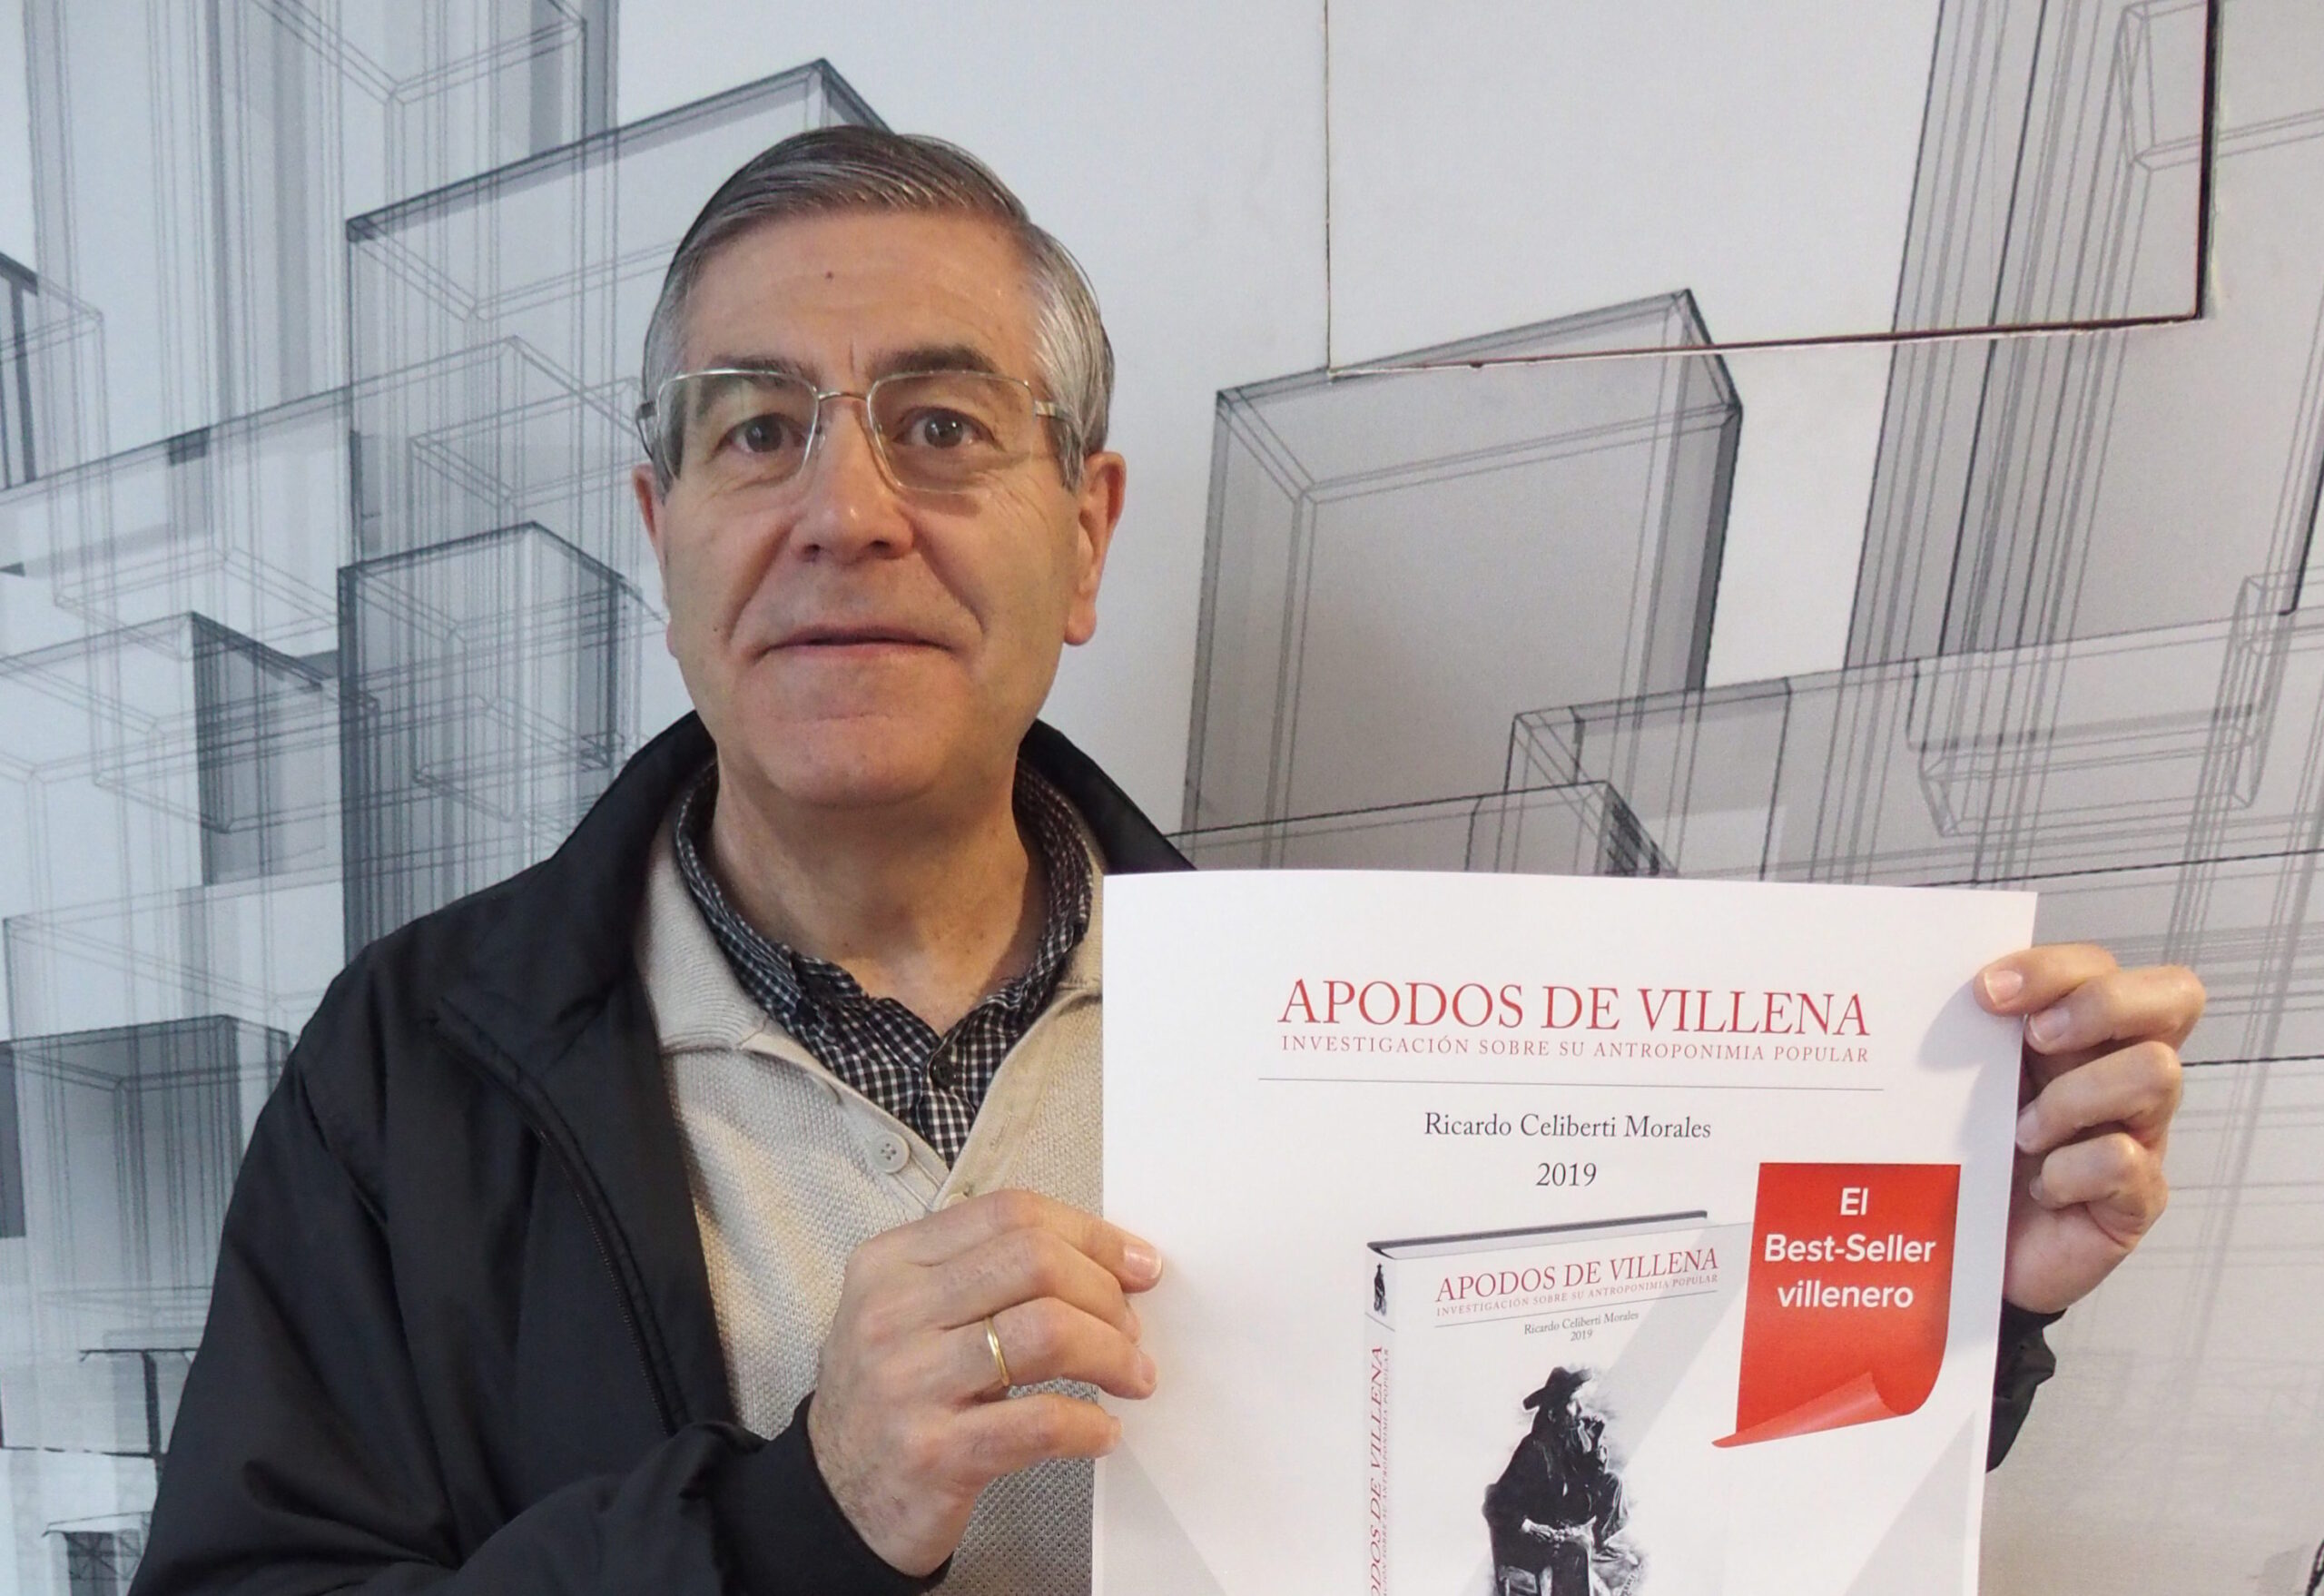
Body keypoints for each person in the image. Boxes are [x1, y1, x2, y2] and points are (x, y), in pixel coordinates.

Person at [128, 126, 2205, 1595]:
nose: (844, 511)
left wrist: (1949, 1305)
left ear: (1087, 532)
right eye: (756, 429)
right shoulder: (415, 1065)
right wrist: (791, 1524)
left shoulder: (1367, 1046)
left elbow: (1603, 1506)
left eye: (941, 427)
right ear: (658, 526)